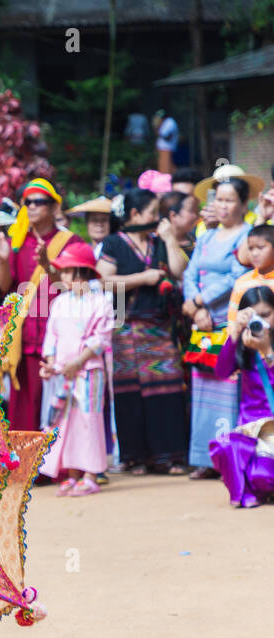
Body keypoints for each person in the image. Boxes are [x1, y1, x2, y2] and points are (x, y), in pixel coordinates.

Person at [96, 188, 188, 474]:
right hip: (124, 329)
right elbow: (103, 280)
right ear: (135, 214)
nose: (156, 218)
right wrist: (142, 278)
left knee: (168, 386)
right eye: (151, 212)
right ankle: (137, 457)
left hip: (159, 326)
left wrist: (171, 239)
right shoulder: (113, 243)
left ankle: (170, 455)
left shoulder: (158, 240)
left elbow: (179, 270)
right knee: (129, 392)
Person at [0, 178, 90, 431]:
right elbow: (5, 287)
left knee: (58, 405)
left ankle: (57, 469)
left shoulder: (71, 242)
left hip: (61, 334)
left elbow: (80, 286)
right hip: (25, 335)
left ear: (54, 207)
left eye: (40, 202)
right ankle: (26, 467)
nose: (33, 207)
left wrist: (49, 268)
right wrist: (4, 260)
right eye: (28, 202)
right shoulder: (16, 242)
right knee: (25, 406)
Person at [183, 173, 256, 478]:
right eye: (219, 200)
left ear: (242, 204)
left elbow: (236, 275)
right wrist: (192, 303)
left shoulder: (248, 235)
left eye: (229, 200)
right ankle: (204, 457)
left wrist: (200, 301)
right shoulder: (206, 235)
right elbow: (190, 271)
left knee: (228, 389)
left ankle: (227, 458)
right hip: (201, 321)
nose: (222, 206)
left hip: (228, 318)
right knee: (203, 389)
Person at [39, 244, 114, 494]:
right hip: (63, 372)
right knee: (66, 422)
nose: (63, 277)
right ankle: (72, 473)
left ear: (83, 272)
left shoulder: (101, 302)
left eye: (68, 271)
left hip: (88, 371)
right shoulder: (60, 302)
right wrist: (50, 363)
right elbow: (52, 335)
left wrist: (77, 362)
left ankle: (91, 474)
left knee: (88, 419)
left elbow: (101, 340)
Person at [208, 285, 274, 506]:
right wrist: (234, 334)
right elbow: (221, 371)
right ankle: (247, 491)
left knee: (263, 473)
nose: (262, 321)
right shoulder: (244, 344)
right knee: (226, 446)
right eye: (256, 316)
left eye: (266, 315)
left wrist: (267, 352)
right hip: (252, 427)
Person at [153, 110, 178, 175]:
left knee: (166, 169)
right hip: (163, 149)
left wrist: (157, 128)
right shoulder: (165, 122)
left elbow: (167, 137)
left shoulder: (170, 122)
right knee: (166, 167)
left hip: (166, 148)